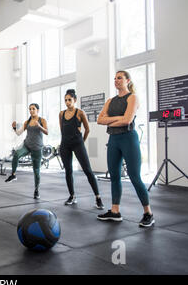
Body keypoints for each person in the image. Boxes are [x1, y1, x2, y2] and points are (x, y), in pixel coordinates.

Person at [97, 71, 154, 227]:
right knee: (115, 176)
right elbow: (100, 120)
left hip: (128, 138)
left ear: (128, 80)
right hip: (114, 140)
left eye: (119, 78)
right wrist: (117, 119)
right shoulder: (110, 101)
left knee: (134, 176)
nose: (116, 80)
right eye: (114, 78)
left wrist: (111, 122)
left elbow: (128, 120)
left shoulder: (133, 97)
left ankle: (148, 213)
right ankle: (115, 211)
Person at [59, 89, 104, 209]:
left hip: (78, 143)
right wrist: (64, 142)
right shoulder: (61, 114)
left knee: (88, 170)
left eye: (69, 100)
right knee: (68, 171)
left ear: (75, 100)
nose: (67, 102)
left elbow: (87, 129)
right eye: (65, 100)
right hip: (65, 145)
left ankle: (98, 197)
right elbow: (62, 130)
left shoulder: (80, 113)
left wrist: (81, 141)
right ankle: (72, 196)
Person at [5, 104, 48, 199]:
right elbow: (19, 133)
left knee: (36, 171)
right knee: (16, 154)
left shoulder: (42, 120)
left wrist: (39, 126)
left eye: (33, 109)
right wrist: (14, 128)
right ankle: (13, 175)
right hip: (27, 145)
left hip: (37, 147)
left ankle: (36, 190)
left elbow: (47, 132)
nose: (31, 111)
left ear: (38, 110)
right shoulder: (27, 121)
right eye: (30, 109)